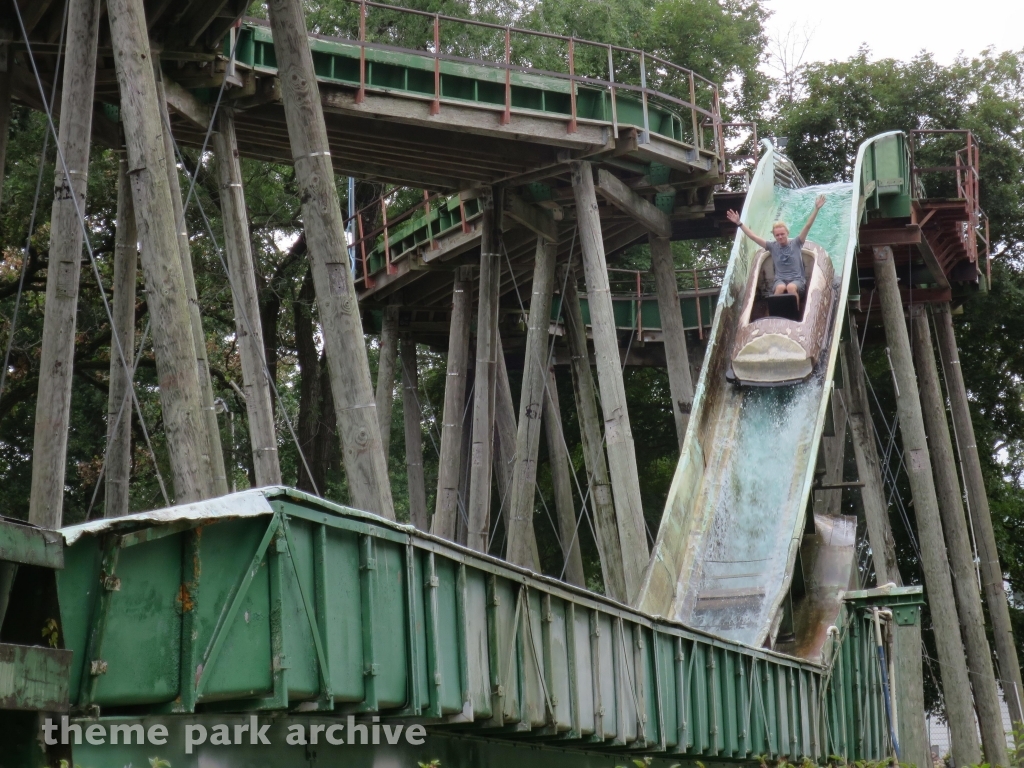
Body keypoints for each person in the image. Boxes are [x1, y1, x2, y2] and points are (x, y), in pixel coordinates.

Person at [725, 194, 826, 311]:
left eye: (782, 234)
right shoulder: (772, 246)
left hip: (798, 281)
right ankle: (773, 315)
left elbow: (807, 226)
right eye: (777, 235)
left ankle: (795, 314)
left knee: (791, 287)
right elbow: (753, 237)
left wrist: (816, 209)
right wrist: (739, 223)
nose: (780, 237)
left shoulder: (797, 243)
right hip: (780, 280)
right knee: (780, 288)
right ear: (774, 236)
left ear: (787, 233)